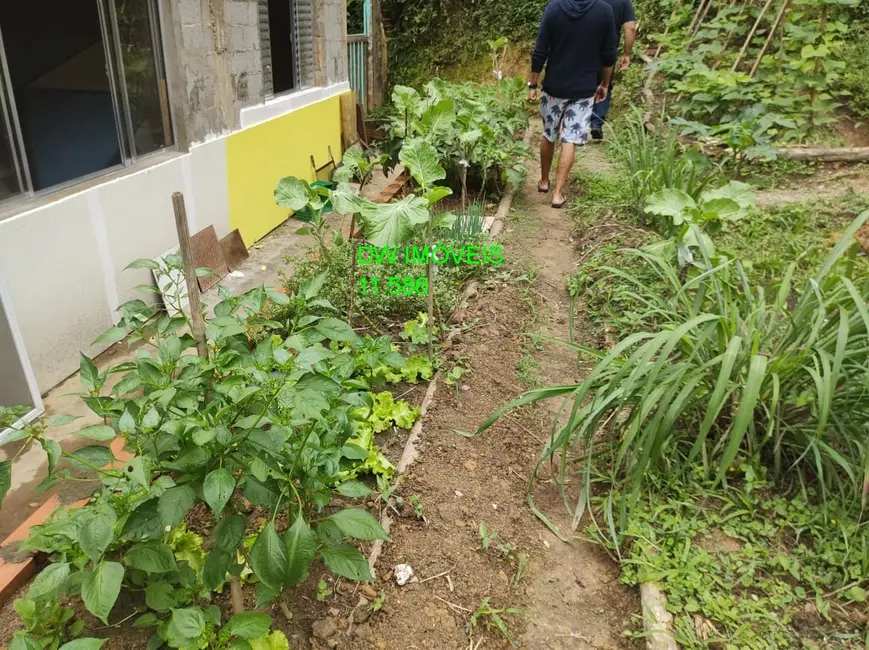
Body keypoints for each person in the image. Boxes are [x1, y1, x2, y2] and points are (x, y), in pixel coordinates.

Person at [529, 0, 617, 209]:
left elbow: (540, 50)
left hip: (554, 87)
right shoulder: (604, 11)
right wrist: (605, 83)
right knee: (570, 139)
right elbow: (609, 54)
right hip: (584, 89)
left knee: (549, 134)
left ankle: (543, 181)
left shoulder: (554, 8)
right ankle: (558, 194)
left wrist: (533, 83)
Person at [590, 0, 637, 140]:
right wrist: (626, 53)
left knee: (584, 83)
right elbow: (631, 28)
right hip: (608, 50)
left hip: (584, 47)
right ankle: (596, 123)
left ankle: (579, 123)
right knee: (605, 84)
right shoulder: (623, 2)